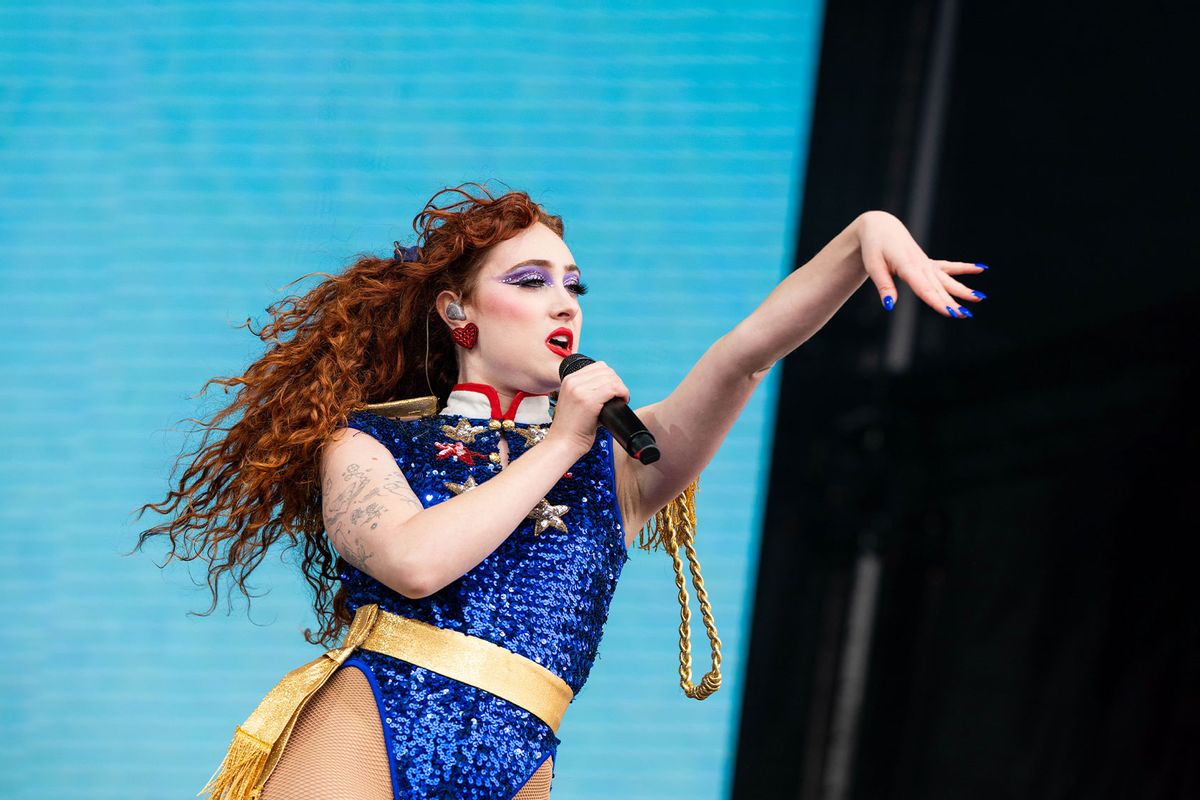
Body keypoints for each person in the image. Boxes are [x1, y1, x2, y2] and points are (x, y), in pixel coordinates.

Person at [132, 181, 986, 800]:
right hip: (373, 724)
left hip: (520, 752)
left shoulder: (618, 463)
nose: (561, 302)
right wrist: (561, 440)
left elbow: (744, 353)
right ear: (458, 314)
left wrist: (861, 233)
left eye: (572, 284)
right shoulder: (370, 441)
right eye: (529, 281)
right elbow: (415, 562)